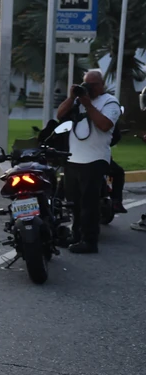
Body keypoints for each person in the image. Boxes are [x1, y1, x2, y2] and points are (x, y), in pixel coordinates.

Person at [56, 70, 120, 254]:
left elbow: (105, 125)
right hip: (74, 158)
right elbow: (60, 115)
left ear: (100, 85)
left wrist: (88, 105)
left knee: (89, 205)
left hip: (95, 159)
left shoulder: (110, 102)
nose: (88, 88)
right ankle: (75, 235)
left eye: (92, 85)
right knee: (73, 202)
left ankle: (90, 241)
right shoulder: (78, 101)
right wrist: (71, 98)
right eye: (86, 84)